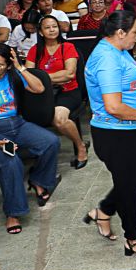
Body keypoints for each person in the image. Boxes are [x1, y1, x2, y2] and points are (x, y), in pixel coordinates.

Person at [84, 11, 136, 256]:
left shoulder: (118, 50)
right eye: (134, 32)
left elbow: (123, 84)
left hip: (129, 128)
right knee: (128, 185)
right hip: (114, 133)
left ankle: (104, 210)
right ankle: (134, 238)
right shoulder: (106, 59)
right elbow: (113, 107)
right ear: (120, 33)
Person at [0, 44, 59, 234]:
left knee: (50, 141)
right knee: (10, 161)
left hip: (16, 124)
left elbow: (39, 88)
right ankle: (13, 213)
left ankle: (38, 180)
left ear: (8, 65)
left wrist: (20, 67)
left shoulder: (14, 75)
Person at [25, 16, 88, 169]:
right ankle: (41, 155)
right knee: (26, 117)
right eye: (47, 27)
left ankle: (80, 146)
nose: (52, 30)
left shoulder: (67, 47)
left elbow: (69, 74)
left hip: (68, 91)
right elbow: (27, 76)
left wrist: (42, 78)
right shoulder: (35, 50)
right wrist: (53, 78)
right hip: (42, 93)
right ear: (40, 32)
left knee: (58, 119)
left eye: (55, 26)